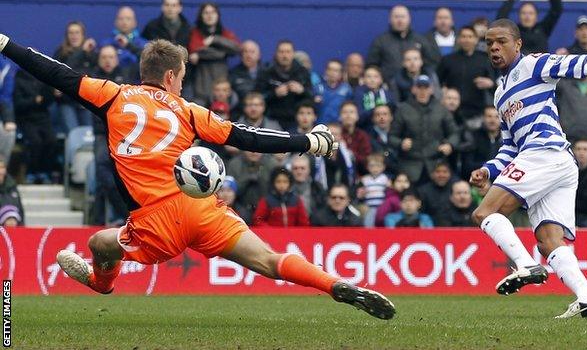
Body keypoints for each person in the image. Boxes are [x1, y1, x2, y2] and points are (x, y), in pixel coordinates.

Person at [0, 35, 394, 319]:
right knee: (271, 261)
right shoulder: (189, 111)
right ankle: (333, 284)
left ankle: (102, 282)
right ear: (171, 75)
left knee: (99, 242)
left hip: (154, 221)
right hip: (200, 207)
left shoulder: (114, 95)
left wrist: (7, 46)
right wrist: (307, 141)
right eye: (184, 74)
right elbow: (248, 136)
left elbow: (55, 72)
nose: (184, 81)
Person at [470, 19, 587, 318]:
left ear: (518, 44)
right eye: (489, 43)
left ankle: (525, 265)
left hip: (544, 153)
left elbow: (580, 62)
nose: (494, 48)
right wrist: (488, 170)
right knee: (548, 240)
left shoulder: (533, 65)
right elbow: (509, 148)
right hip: (556, 162)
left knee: (484, 213)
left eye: (501, 41)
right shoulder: (500, 95)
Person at [389, 74, 459, 184]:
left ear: (431, 89)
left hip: (436, 165)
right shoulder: (403, 109)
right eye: (419, 88)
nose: (422, 91)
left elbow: (454, 133)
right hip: (410, 166)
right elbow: (391, 137)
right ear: (413, 89)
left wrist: (450, 144)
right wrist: (401, 143)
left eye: (426, 88)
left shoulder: (441, 109)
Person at [90, 45, 131, 226]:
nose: (107, 60)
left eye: (111, 57)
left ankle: (109, 219)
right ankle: (107, 219)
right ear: (99, 59)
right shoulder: (91, 78)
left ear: (117, 59)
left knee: (120, 178)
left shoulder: (126, 80)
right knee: (102, 172)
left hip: (123, 135)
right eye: (104, 57)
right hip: (102, 133)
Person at [438, 26, 495, 122]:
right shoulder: (447, 60)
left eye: (470, 36)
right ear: (458, 39)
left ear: (476, 39)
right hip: (451, 113)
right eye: (463, 36)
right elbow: (437, 82)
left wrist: (491, 84)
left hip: (477, 113)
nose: (467, 40)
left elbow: (496, 84)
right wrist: (442, 90)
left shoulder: (485, 60)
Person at [188, 2, 240, 106]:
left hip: (221, 89)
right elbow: (195, 51)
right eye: (206, 13)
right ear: (201, 16)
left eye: (213, 12)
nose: (209, 15)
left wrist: (214, 39)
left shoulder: (225, 33)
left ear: (218, 15)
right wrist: (223, 53)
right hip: (201, 88)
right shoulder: (194, 32)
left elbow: (237, 48)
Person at [367, 5, 435, 81]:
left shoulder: (420, 40)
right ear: (390, 19)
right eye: (396, 17)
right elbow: (372, 65)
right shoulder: (380, 41)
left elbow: (430, 64)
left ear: (409, 19)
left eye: (403, 17)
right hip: (389, 87)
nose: (400, 20)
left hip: (417, 87)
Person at [256, 40, 312, 130]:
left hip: (296, 122)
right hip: (271, 119)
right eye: (281, 52)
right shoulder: (266, 72)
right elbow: (257, 97)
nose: (285, 56)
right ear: (276, 54)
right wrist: (275, 94)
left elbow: (311, 96)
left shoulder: (302, 72)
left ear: (293, 54)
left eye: (288, 52)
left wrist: (302, 91)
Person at [13, 68, 56, 184]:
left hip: (43, 117)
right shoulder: (18, 80)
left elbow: (48, 99)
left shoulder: (42, 77)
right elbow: (17, 104)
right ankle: (31, 172)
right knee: (35, 142)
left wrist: (53, 94)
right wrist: (34, 101)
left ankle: (46, 172)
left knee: (51, 140)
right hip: (25, 118)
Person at [53, 21, 97, 133]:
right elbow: (66, 69)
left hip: (86, 102)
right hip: (67, 101)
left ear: (83, 35)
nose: (74, 36)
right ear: (67, 36)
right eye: (70, 33)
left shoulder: (91, 54)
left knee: (88, 135)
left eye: (77, 32)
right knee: (73, 135)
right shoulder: (60, 53)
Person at [496, 0, 562, 54]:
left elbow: (557, 9)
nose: (527, 17)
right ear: (519, 16)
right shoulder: (514, 32)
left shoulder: (544, 28)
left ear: (536, 16)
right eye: (523, 13)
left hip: (540, 68)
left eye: (531, 13)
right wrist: (511, 0)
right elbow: (500, 20)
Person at [461, 105, 502, 179]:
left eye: (496, 117)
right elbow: (467, 166)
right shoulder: (473, 137)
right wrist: (489, 167)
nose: (493, 120)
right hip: (476, 180)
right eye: (489, 116)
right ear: (483, 118)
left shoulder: (506, 140)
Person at [229, 40, 265, 119]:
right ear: (241, 55)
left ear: (259, 55)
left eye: (252, 52)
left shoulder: (267, 72)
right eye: (245, 52)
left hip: (265, 114)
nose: (248, 55)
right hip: (240, 115)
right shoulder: (233, 74)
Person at [351, 66, 394, 130]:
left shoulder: (388, 94)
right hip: (365, 128)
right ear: (363, 79)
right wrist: (374, 109)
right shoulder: (358, 93)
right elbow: (358, 116)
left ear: (381, 79)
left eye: (376, 77)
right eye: (368, 76)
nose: (372, 80)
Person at [418, 161, 456, 226]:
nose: (441, 175)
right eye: (438, 172)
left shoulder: (456, 188)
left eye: (445, 172)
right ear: (432, 174)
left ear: (450, 174)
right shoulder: (423, 191)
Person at [339, 101, 372, 176]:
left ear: (357, 116)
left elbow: (366, 159)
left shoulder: (363, 136)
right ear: (340, 116)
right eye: (344, 112)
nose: (348, 115)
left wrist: (351, 155)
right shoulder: (335, 134)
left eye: (352, 112)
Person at [315, 59, 352, 125]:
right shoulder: (318, 88)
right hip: (320, 126)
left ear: (341, 74)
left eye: (336, 71)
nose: (332, 73)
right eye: (330, 69)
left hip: (339, 127)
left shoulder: (347, 89)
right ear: (326, 71)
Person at [357, 153, 389, 227]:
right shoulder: (364, 180)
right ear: (367, 167)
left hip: (382, 207)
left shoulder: (385, 179)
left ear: (383, 167)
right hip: (369, 207)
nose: (375, 168)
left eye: (378, 166)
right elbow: (360, 194)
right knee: (368, 223)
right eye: (372, 166)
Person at [368, 105, 398, 176]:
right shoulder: (367, 136)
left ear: (391, 117)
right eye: (378, 115)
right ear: (373, 118)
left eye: (385, 114)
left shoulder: (400, 134)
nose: (382, 118)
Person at [0, 59, 16, 163]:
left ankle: (2, 169)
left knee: (9, 132)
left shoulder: (5, 67)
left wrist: (8, 119)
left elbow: (6, 97)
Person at [0, 155, 23, 226]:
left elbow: (20, 209)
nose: (1, 171)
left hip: (14, 230)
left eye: (2, 167)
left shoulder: (12, 185)